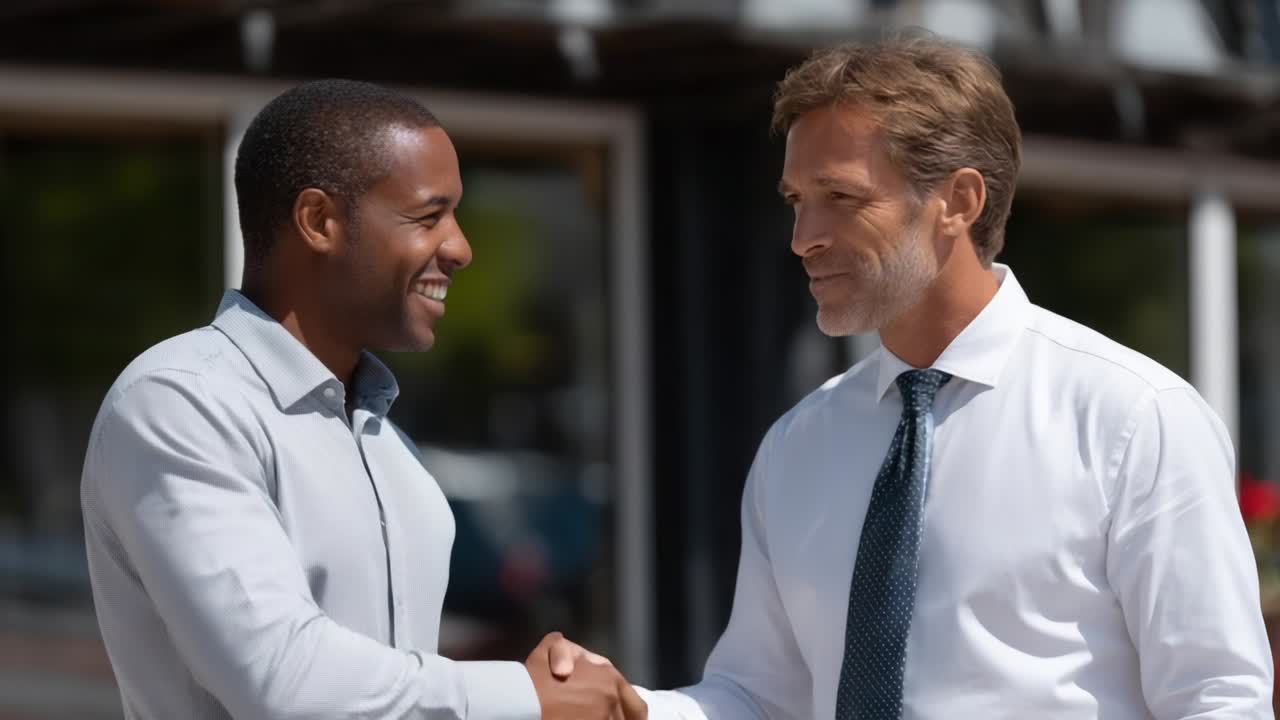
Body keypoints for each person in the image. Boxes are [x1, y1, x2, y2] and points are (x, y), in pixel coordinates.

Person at [561, 36, 1274, 718]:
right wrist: (636, 710)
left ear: (958, 203)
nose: (802, 236)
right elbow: (761, 698)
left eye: (840, 197)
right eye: (794, 200)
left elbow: (1217, 699)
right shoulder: (797, 444)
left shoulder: (1134, 419)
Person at [80, 79, 645, 720]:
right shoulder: (182, 402)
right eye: (429, 217)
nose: (460, 248)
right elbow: (282, 680)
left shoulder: (388, 443)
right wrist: (521, 696)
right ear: (319, 221)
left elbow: (388, 683)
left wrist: (547, 683)